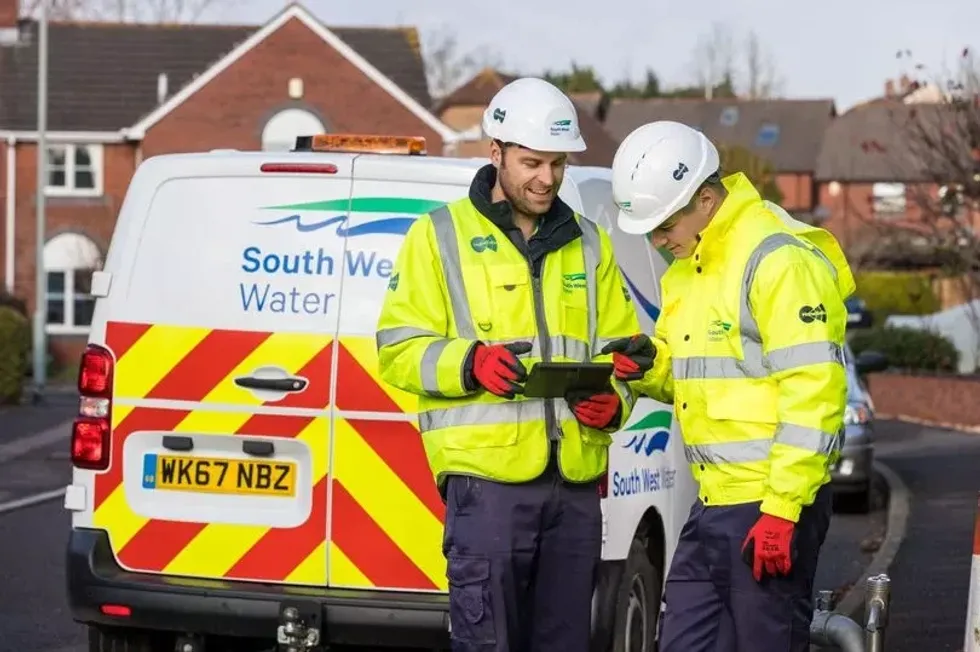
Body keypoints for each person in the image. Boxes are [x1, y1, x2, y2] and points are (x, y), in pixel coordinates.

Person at [375, 77, 641, 652]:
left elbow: (624, 351)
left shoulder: (590, 244)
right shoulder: (437, 236)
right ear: (494, 152)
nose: (547, 178)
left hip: (573, 487)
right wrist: (469, 363)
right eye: (531, 163)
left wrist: (614, 401)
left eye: (558, 164)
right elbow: (396, 348)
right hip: (487, 491)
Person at [600, 120, 856, 652]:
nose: (657, 240)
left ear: (708, 199)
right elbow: (698, 381)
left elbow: (815, 396)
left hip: (770, 503)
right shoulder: (688, 269)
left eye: (664, 224)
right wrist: (649, 366)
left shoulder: (778, 260)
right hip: (714, 501)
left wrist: (782, 510)